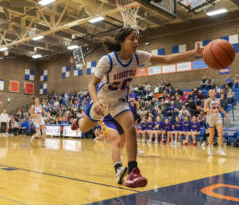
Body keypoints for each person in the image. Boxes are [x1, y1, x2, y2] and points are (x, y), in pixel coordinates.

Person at [71, 27, 203, 188]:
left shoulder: (138, 56)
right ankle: (77, 121)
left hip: (120, 101)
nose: (136, 42)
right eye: (132, 39)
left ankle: (133, 171)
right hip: (102, 101)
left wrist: (193, 54)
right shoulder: (107, 60)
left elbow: (167, 59)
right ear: (122, 42)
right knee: (84, 128)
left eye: (137, 39)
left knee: (130, 128)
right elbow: (91, 84)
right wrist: (96, 102)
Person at [204, 89, 228, 156]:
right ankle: (210, 147)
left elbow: (220, 108)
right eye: (210, 92)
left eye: (213, 92)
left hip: (217, 117)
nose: (212, 93)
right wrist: (212, 110)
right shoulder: (208, 100)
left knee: (220, 132)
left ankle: (220, 149)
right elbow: (205, 109)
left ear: (215, 93)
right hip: (210, 118)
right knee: (211, 135)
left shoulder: (218, 100)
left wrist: (225, 113)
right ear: (209, 94)